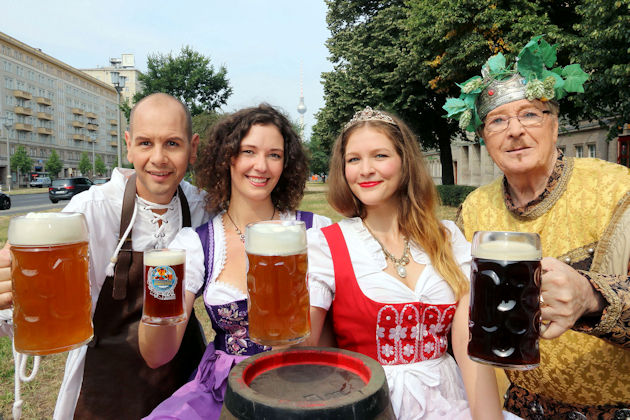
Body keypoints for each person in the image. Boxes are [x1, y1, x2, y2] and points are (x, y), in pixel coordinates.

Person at [446, 36, 630, 418]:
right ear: (484, 137)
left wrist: (593, 299)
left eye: (530, 114)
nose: (514, 130)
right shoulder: (475, 208)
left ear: (555, 124)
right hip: (514, 410)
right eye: (498, 120)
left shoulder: (619, 191)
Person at [0, 93, 211, 419]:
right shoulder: (89, 211)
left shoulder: (203, 208)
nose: (158, 158)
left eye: (172, 143)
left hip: (184, 382)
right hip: (107, 386)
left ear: (193, 147)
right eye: (145, 143)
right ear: (127, 145)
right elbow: (33, 300)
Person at [304, 107, 510, 420]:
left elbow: (471, 345)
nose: (366, 169)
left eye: (380, 156)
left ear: (405, 162)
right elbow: (303, 346)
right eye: (353, 159)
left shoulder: (448, 238)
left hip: (448, 400)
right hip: (368, 405)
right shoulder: (324, 245)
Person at [140, 104, 332, 420]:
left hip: (303, 382)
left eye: (274, 154)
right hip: (224, 388)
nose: (261, 165)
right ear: (229, 157)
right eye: (248, 152)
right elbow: (158, 355)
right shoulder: (195, 244)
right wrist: (159, 303)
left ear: (286, 164)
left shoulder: (316, 231)